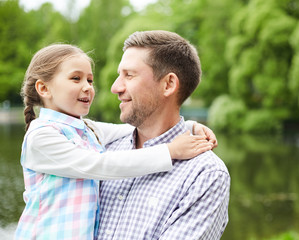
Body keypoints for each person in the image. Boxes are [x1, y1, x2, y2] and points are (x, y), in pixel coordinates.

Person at [15, 43, 217, 239]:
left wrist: (188, 126)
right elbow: (100, 164)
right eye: (76, 79)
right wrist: (170, 151)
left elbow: (132, 128)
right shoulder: (41, 137)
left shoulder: (87, 129)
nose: (87, 87)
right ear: (43, 88)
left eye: (90, 80)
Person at [97, 30, 230, 240]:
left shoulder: (206, 175)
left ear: (168, 84)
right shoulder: (102, 149)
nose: (115, 87)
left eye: (129, 75)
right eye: (119, 75)